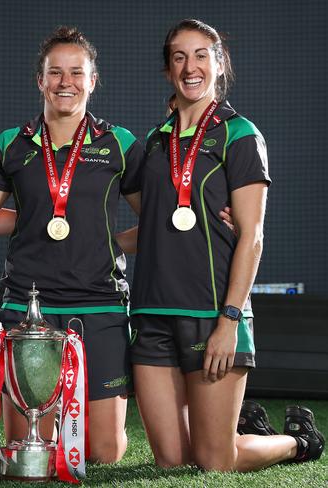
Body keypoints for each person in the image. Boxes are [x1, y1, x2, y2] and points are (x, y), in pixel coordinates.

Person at [130, 18, 324, 471]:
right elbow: (156, 229)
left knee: (214, 462)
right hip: (152, 315)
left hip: (213, 313)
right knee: (172, 463)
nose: (190, 66)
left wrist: (229, 321)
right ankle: (243, 427)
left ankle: (299, 442)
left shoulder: (241, 135)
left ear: (219, 64)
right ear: (167, 70)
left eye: (201, 55)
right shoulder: (155, 144)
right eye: (179, 56)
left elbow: (252, 236)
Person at [0, 26, 143, 463]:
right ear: (41, 80)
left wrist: (109, 239)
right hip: (29, 304)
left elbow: (158, 218)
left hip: (100, 302)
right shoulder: (11, 144)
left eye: (76, 72)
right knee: (27, 450)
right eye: (55, 72)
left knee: (104, 454)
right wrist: (39, 217)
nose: (65, 82)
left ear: (93, 80)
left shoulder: (120, 145)